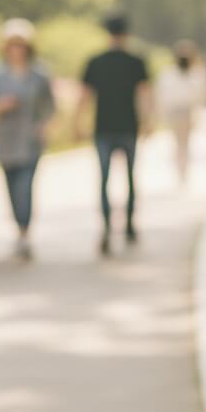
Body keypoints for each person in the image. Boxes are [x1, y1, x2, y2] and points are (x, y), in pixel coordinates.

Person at [78, 13, 152, 256]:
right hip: (128, 126)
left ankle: (107, 227)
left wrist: (78, 123)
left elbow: (85, 95)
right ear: (127, 34)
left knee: (104, 179)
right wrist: (147, 121)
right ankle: (129, 224)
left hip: (103, 127)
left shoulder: (96, 61)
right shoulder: (136, 61)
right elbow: (145, 93)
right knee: (130, 177)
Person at [0, 19, 55, 261]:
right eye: (12, 45)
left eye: (20, 45)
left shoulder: (39, 74)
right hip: (5, 140)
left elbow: (49, 106)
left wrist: (43, 125)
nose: (16, 50)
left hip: (30, 140)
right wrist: (0, 106)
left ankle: (25, 234)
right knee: (12, 190)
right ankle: (19, 228)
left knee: (25, 188)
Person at [155, 39, 206, 185]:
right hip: (180, 112)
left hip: (185, 112)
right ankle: (182, 170)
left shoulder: (192, 73)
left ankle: (182, 170)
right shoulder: (187, 73)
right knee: (182, 144)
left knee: (181, 144)